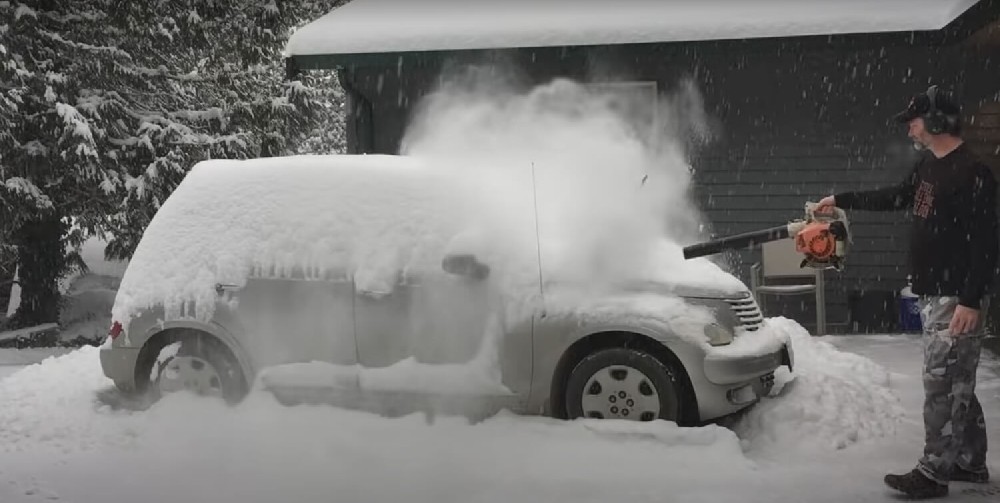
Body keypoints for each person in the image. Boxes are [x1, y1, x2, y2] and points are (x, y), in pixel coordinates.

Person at [816, 85, 998, 499]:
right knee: (956, 382)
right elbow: (896, 197)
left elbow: (987, 243)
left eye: (914, 120)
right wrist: (841, 199)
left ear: (936, 121)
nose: (910, 127)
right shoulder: (928, 166)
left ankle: (933, 473)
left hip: (956, 296)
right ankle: (969, 462)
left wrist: (970, 299)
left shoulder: (973, 171)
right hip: (937, 293)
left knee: (942, 384)